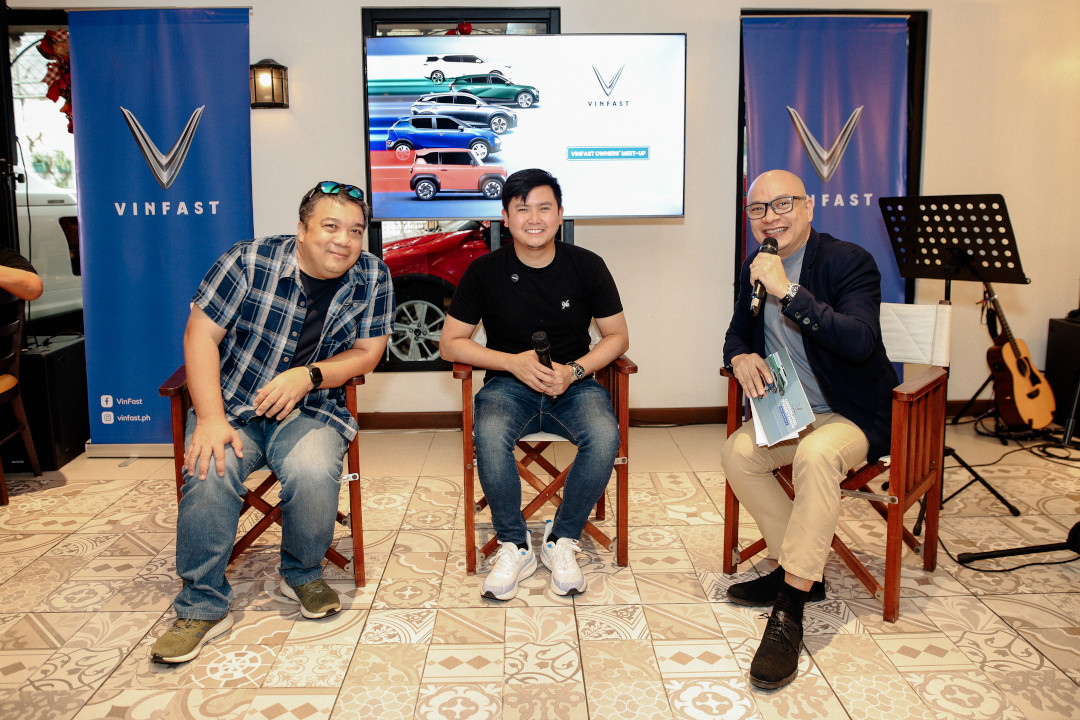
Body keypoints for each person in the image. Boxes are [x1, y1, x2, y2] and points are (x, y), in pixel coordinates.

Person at [151, 181, 393, 664]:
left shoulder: (373, 275)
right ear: (301, 229)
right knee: (210, 469)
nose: (344, 240)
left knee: (313, 469)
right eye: (330, 226)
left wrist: (309, 375)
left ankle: (301, 573)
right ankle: (202, 604)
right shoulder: (247, 261)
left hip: (312, 408)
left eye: (355, 230)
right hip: (233, 406)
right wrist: (211, 419)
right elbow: (199, 335)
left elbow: (368, 353)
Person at [721, 169, 897, 689]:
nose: (769, 217)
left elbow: (860, 341)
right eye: (758, 209)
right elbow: (736, 332)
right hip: (792, 412)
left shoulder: (849, 261)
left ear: (809, 207)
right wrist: (740, 356)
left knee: (816, 456)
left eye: (782, 204)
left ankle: (790, 608)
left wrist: (788, 290)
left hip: (852, 413)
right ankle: (798, 569)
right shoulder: (754, 267)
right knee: (737, 454)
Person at [440, 168, 629, 600]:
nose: (534, 218)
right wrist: (512, 363)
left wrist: (574, 371)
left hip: (574, 385)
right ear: (505, 218)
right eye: (522, 209)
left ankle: (562, 538)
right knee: (489, 435)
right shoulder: (484, 271)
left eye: (545, 208)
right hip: (508, 386)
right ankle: (515, 544)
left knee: (605, 435)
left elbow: (618, 337)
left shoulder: (588, 266)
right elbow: (450, 344)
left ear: (560, 214)